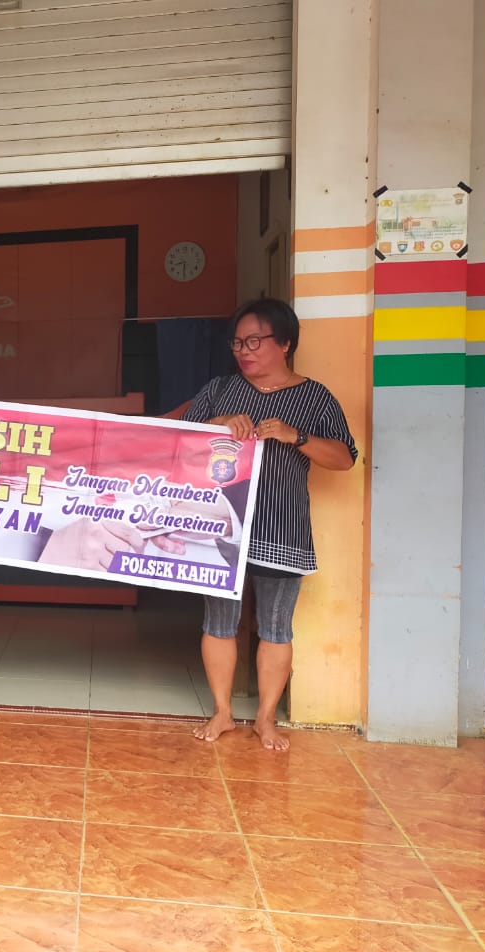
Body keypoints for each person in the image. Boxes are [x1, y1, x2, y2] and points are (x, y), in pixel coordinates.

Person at [179, 297, 357, 751]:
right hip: (221, 528)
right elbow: (180, 442)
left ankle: (265, 720)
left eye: (254, 341)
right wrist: (219, 423)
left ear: (286, 343)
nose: (244, 350)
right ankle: (222, 712)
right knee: (218, 621)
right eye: (238, 342)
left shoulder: (315, 397)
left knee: (276, 626)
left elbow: (344, 458)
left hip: (283, 527)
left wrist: (296, 436)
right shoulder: (220, 389)